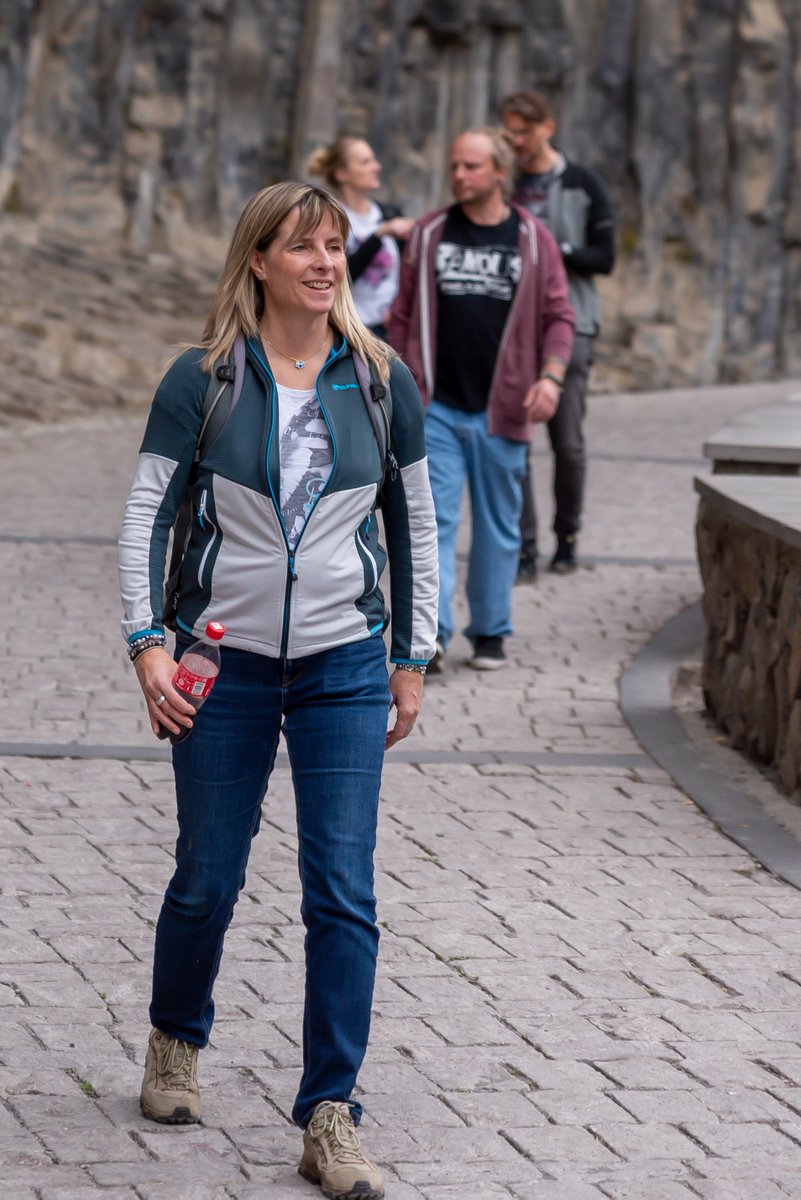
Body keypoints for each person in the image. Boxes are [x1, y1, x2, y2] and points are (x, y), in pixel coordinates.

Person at [118, 181, 438, 1200]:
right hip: (224, 661)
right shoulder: (202, 378)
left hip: (345, 663)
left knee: (342, 887)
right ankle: (176, 1039)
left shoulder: (381, 379)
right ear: (257, 260)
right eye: (303, 246)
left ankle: (330, 1114)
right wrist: (148, 645)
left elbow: (414, 523)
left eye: (334, 245)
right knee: (207, 877)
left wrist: (411, 655)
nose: (325, 262)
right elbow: (147, 516)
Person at [387, 128, 574, 673]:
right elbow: (402, 313)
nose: (459, 175)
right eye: (454, 165)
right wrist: (404, 379)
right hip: (436, 407)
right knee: (434, 522)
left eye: (471, 166)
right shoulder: (429, 233)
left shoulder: (533, 238)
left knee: (498, 525)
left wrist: (551, 378)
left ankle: (491, 631)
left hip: (504, 407)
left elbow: (558, 316)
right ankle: (433, 635)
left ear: (499, 172)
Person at [500, 90, 615, 578]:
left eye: (523, 132)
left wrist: (551, 250)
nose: (516, 142)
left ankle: (567, 538)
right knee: (514, 444)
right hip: (511, 330)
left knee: (567, 443)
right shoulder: (503, 182)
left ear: (547, 127)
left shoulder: (583, 183)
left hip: (574, 324)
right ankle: (523, 549)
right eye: (508, 133)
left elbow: (605, 257)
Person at [307, 135, 413, 337]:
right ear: (342, 174)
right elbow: (339, 276)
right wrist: (379, 234)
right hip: (348, 328)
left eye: (373, 160)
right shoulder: (329, 219)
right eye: (365, 162)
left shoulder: (389, 213)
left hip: (390, 329)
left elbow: (408, 270)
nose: (376, 167)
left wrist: (399, 305)